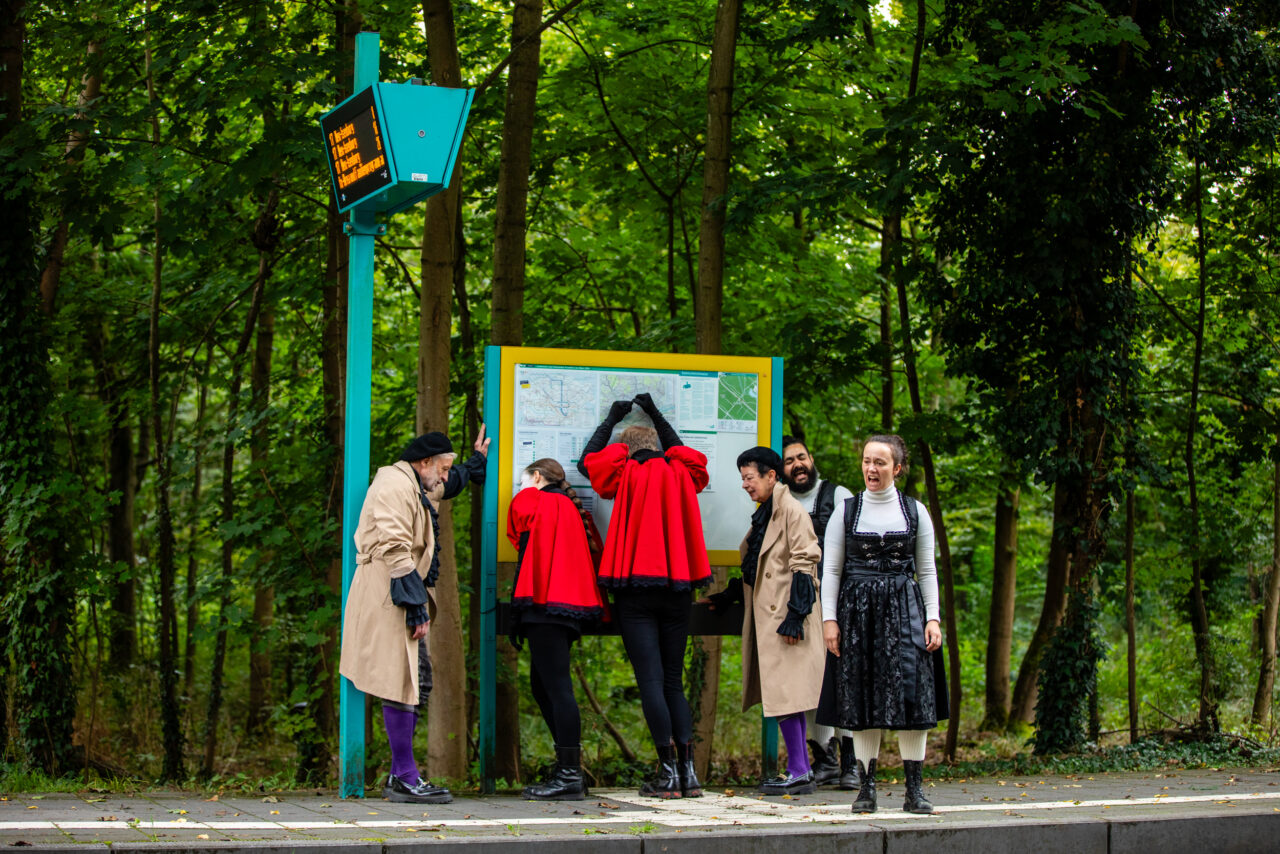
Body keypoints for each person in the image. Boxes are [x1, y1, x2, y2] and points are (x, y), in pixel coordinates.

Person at [339, 428, 489, 804]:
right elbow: (393, 546)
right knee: (403, 680)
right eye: (440, 468)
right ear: (424, 463)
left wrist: (474, 464)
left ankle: (399, 775)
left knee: (415, 680)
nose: (442, 476)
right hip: (389, 590)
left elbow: (447, 485)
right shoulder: (393, 484)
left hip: (397, 589)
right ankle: (404, 778)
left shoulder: (417, 482)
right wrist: (415, 605)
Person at [578, 393, 711, 799]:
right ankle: (687, 774)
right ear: (659, 447)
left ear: (627, 450)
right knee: (672, 680)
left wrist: (612, 419)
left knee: (650, 680)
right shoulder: (680, 471)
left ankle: (666, 772)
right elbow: (686, 454)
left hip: (634, 586)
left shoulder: (623, 473)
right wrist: (655, 415)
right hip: (677, 587)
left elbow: (587, 461)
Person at [816, 434, 945, 815]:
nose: (871, 468)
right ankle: (866, 788)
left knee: (913, 696)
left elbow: (927, 568)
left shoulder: (916, 511)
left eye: (880, 462)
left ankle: (914, 790)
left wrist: (933, 617)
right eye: (867, 461)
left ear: (897, 469)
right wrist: (829, 620)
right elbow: (832, 569)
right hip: (857, 615)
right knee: (864, 697)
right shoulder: (846, 511)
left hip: (906, 611)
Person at [506, 458, 607, 801]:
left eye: (523, 480)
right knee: (543, 685)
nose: (520, 488)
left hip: (544, 603)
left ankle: (569, 774)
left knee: (557, 688)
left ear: (536, 477)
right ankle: (568, 768)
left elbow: (522, 551)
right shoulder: (574, 510)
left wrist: (518, 611)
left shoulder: (531, 500)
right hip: (571, 607)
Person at [727, 446, 824, 795]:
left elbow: (805, 562)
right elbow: (755, 564)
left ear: (771, 476)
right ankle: (800, 769)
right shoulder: (768, 512)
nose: (744, 485)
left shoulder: (791, 511)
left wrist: (796, 616)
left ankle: (800, 770)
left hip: (787, 619)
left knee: (785, 695)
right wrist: (728, 596)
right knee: (785, 696)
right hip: (775, 619)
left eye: (748, 478)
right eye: (742, 479)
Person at [780, 436, 858, 790]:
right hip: (804, 605)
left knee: (844, 680)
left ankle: (852, 763)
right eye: (789, 461)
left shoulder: (838, 496)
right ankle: (824, 760)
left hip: (840, 601)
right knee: (810, 682)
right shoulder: (780, 505)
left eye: (801, 457)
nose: (797, 465)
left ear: (811, 459)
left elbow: (857, 546)